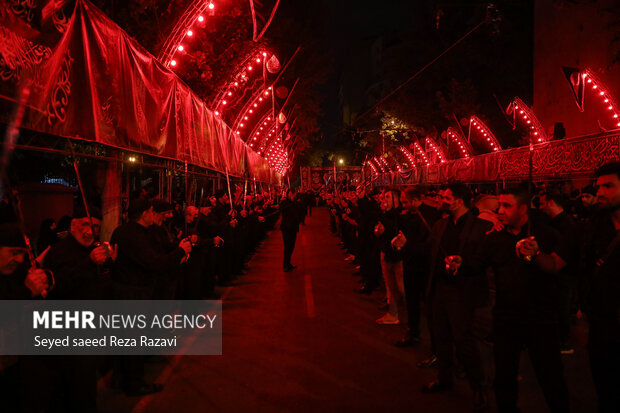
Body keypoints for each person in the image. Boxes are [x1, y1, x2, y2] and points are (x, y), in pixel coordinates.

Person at [478, 187, 569, 413]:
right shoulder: (496, 238)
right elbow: (478, 263)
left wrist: (536, 254)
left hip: (541, 318)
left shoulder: (547, 234)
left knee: (550, 376)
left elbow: (558, 268)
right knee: (504, 376)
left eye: (507, 206)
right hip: (506, 318)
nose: (500, 210)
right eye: (499, 205)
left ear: (523, 208)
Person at [110, 199, 191, 396]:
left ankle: (123, 378)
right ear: (145, 214)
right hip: (132, 292)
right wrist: (180, 251)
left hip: (130, 290)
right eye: (152, 212)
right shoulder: (133, 235)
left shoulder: (128, 231)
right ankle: (135, 383)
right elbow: (152, 261)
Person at [421, 183, 490, 411]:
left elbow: (483, 261)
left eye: (445, 197)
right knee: (440, 337)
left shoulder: (481, 227)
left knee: (463, 340)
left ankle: (478, 385)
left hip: (462, 292)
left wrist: (464, 264)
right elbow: (428, 250)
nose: (440, 200)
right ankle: (444, 378)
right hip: (439, 289)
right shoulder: (441, 224)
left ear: (459, 201)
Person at [569, 162, 620, 413]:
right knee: (606, 387)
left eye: (608, 186)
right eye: (598, 186)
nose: (599, 192)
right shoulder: (592, 229)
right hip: (603, 326)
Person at [0, 222, 50, 411]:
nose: (19, 259)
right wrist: (27, 292)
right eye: (13, 252)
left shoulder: (15, 273)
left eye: (22, 253)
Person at [374, 188, 405, 325]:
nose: (383, 200)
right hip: (388, 254)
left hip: (399, 257)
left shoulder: (401, 215)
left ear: (396, 200)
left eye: (387, 197)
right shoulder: (384, 215)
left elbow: (395, 230)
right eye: (383, 197)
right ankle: (392, 314)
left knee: (402, 289)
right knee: (392, 288)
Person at [280, 190, 300, 272]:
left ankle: (288, 263)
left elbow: (297, 211)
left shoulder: (294, 202)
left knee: (291, 246)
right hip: (287, 228)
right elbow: (282, 208)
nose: (293, 195)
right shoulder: (285, 202)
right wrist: (284, 199)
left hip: (293, 228)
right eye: (291, 194)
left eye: (293, 194)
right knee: (287, 247)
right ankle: (285, 265)